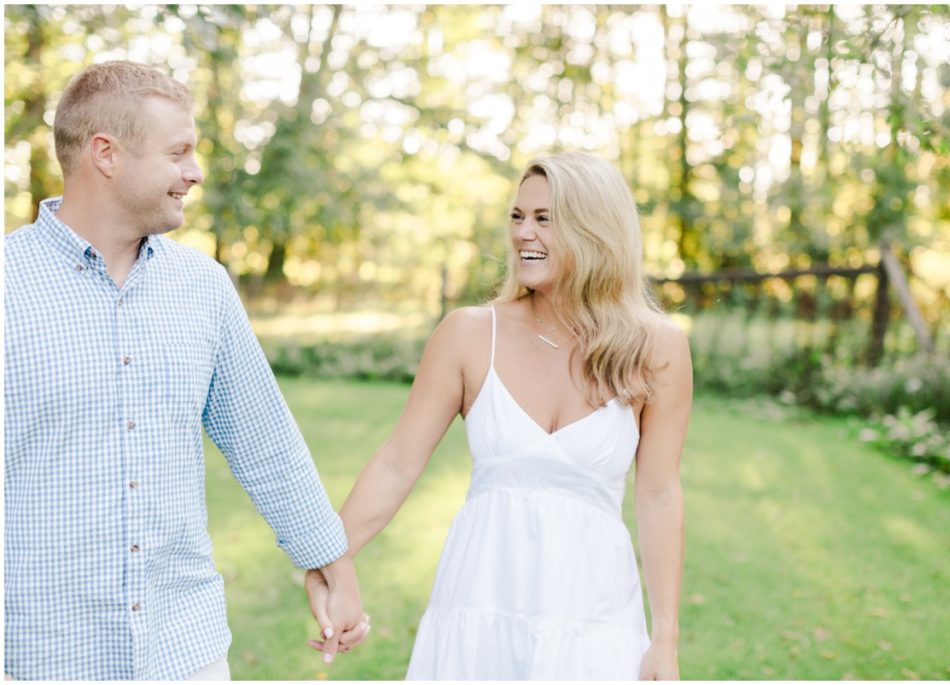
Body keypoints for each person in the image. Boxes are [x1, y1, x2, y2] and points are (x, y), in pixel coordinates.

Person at [3, 61, 367, 680]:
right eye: (179, 153)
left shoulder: (203, 288)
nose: (195, 173)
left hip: (185, 652)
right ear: (106, 154)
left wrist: (332, 565)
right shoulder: (8, 285)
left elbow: (265, 441)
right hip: (41, 654)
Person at [307, 151, 692, 679]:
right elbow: (397, 463)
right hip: (477, 606)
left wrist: (664, 636)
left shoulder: (658, 348)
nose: (522, 234)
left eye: (544, 218)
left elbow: (658, 494)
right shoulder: (468, 333)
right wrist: (330, 560)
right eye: (517, 217)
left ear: (596, 230)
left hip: (595, 615)